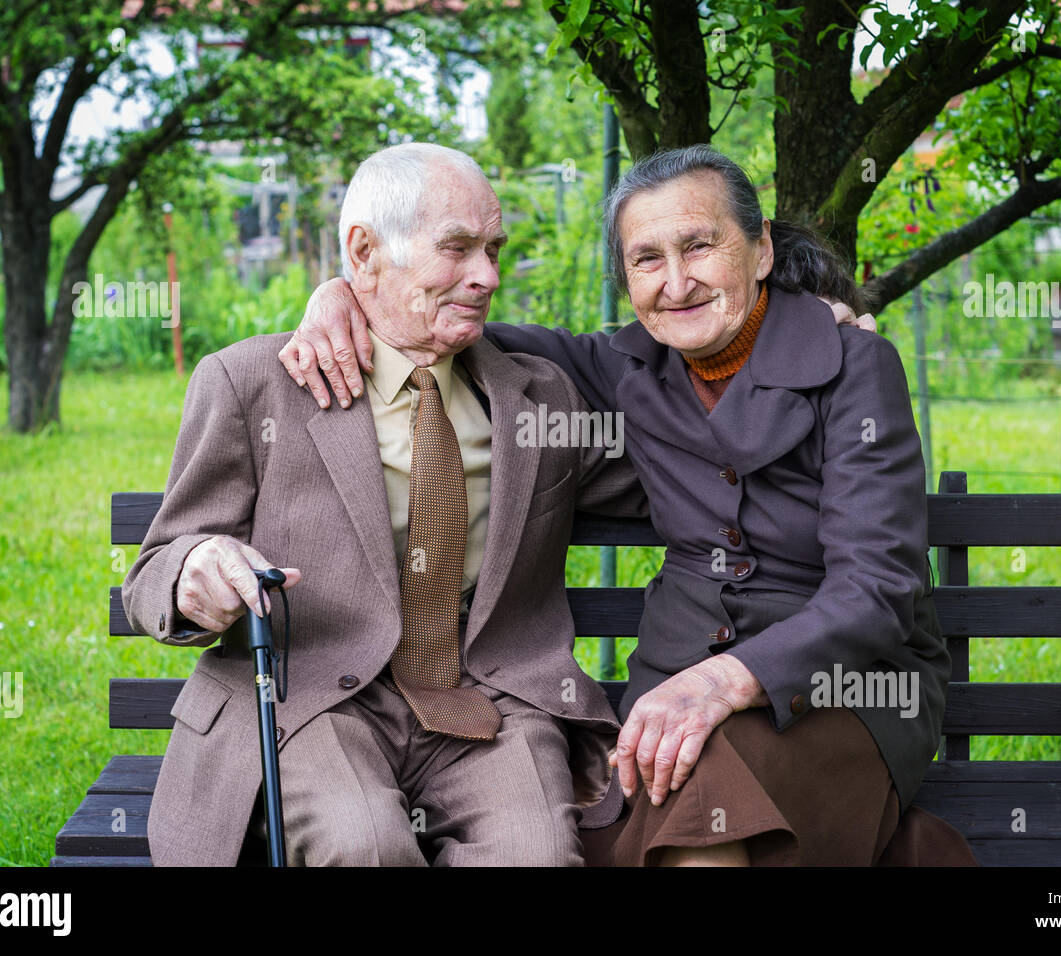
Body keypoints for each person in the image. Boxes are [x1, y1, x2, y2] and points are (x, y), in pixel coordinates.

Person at [282, 144, 980, 867]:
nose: (676, 282)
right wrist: (341, 292)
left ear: (761, 247)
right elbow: (440, 324)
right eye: (647, 260)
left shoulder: (854, 366)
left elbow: (880, 588)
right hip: (672, 689)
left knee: (700, 802)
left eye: (700, 245)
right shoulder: (627, 368)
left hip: (846, 687)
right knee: (636, 816)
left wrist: (722, 682)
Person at [121, 142, 648, 866]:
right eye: (457, 248)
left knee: (536, 854)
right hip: (311, 700)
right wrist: (196, 571)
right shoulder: (253, 385)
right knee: (362, 844)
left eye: (494, 248)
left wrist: (793, 340)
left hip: (485, 697)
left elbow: (676, 465)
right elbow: (161, 561)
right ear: (364, 252)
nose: (487, 276)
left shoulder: (538, 396)